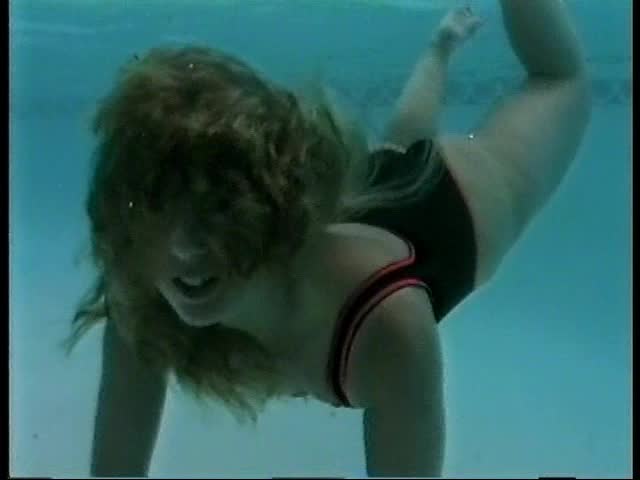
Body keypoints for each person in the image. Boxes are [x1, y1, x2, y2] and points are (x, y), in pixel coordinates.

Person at [65, 2, 592, 477]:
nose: (184, 249)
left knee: (559, 81)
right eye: (157, 207)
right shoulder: (143, 277)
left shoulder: (387, 328)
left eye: (220, 208)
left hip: (448, 212)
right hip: (362, 193)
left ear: (273, 208)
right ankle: (441, 45)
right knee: (398, 145)